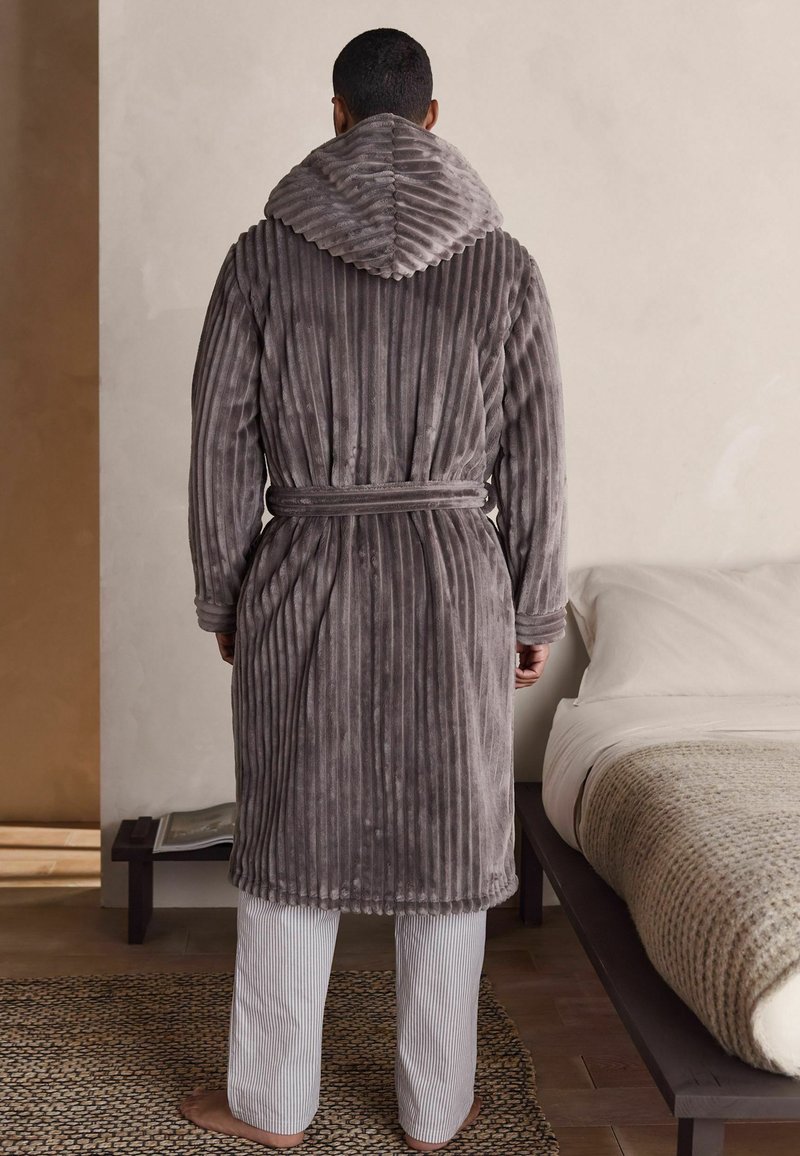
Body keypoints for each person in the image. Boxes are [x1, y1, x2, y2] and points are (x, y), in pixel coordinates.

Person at [180, 26, 568, 1152]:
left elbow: (219, 446)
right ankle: (436, 1109)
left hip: (305, 569)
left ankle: (270, 1104)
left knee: (290, 829)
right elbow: (538, 458)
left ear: (337, 115)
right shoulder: (505, 265)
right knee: (451, 841)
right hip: (456, 581)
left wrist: (226, 591)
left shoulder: (260, 257)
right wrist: (531, 608)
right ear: (432, 117)